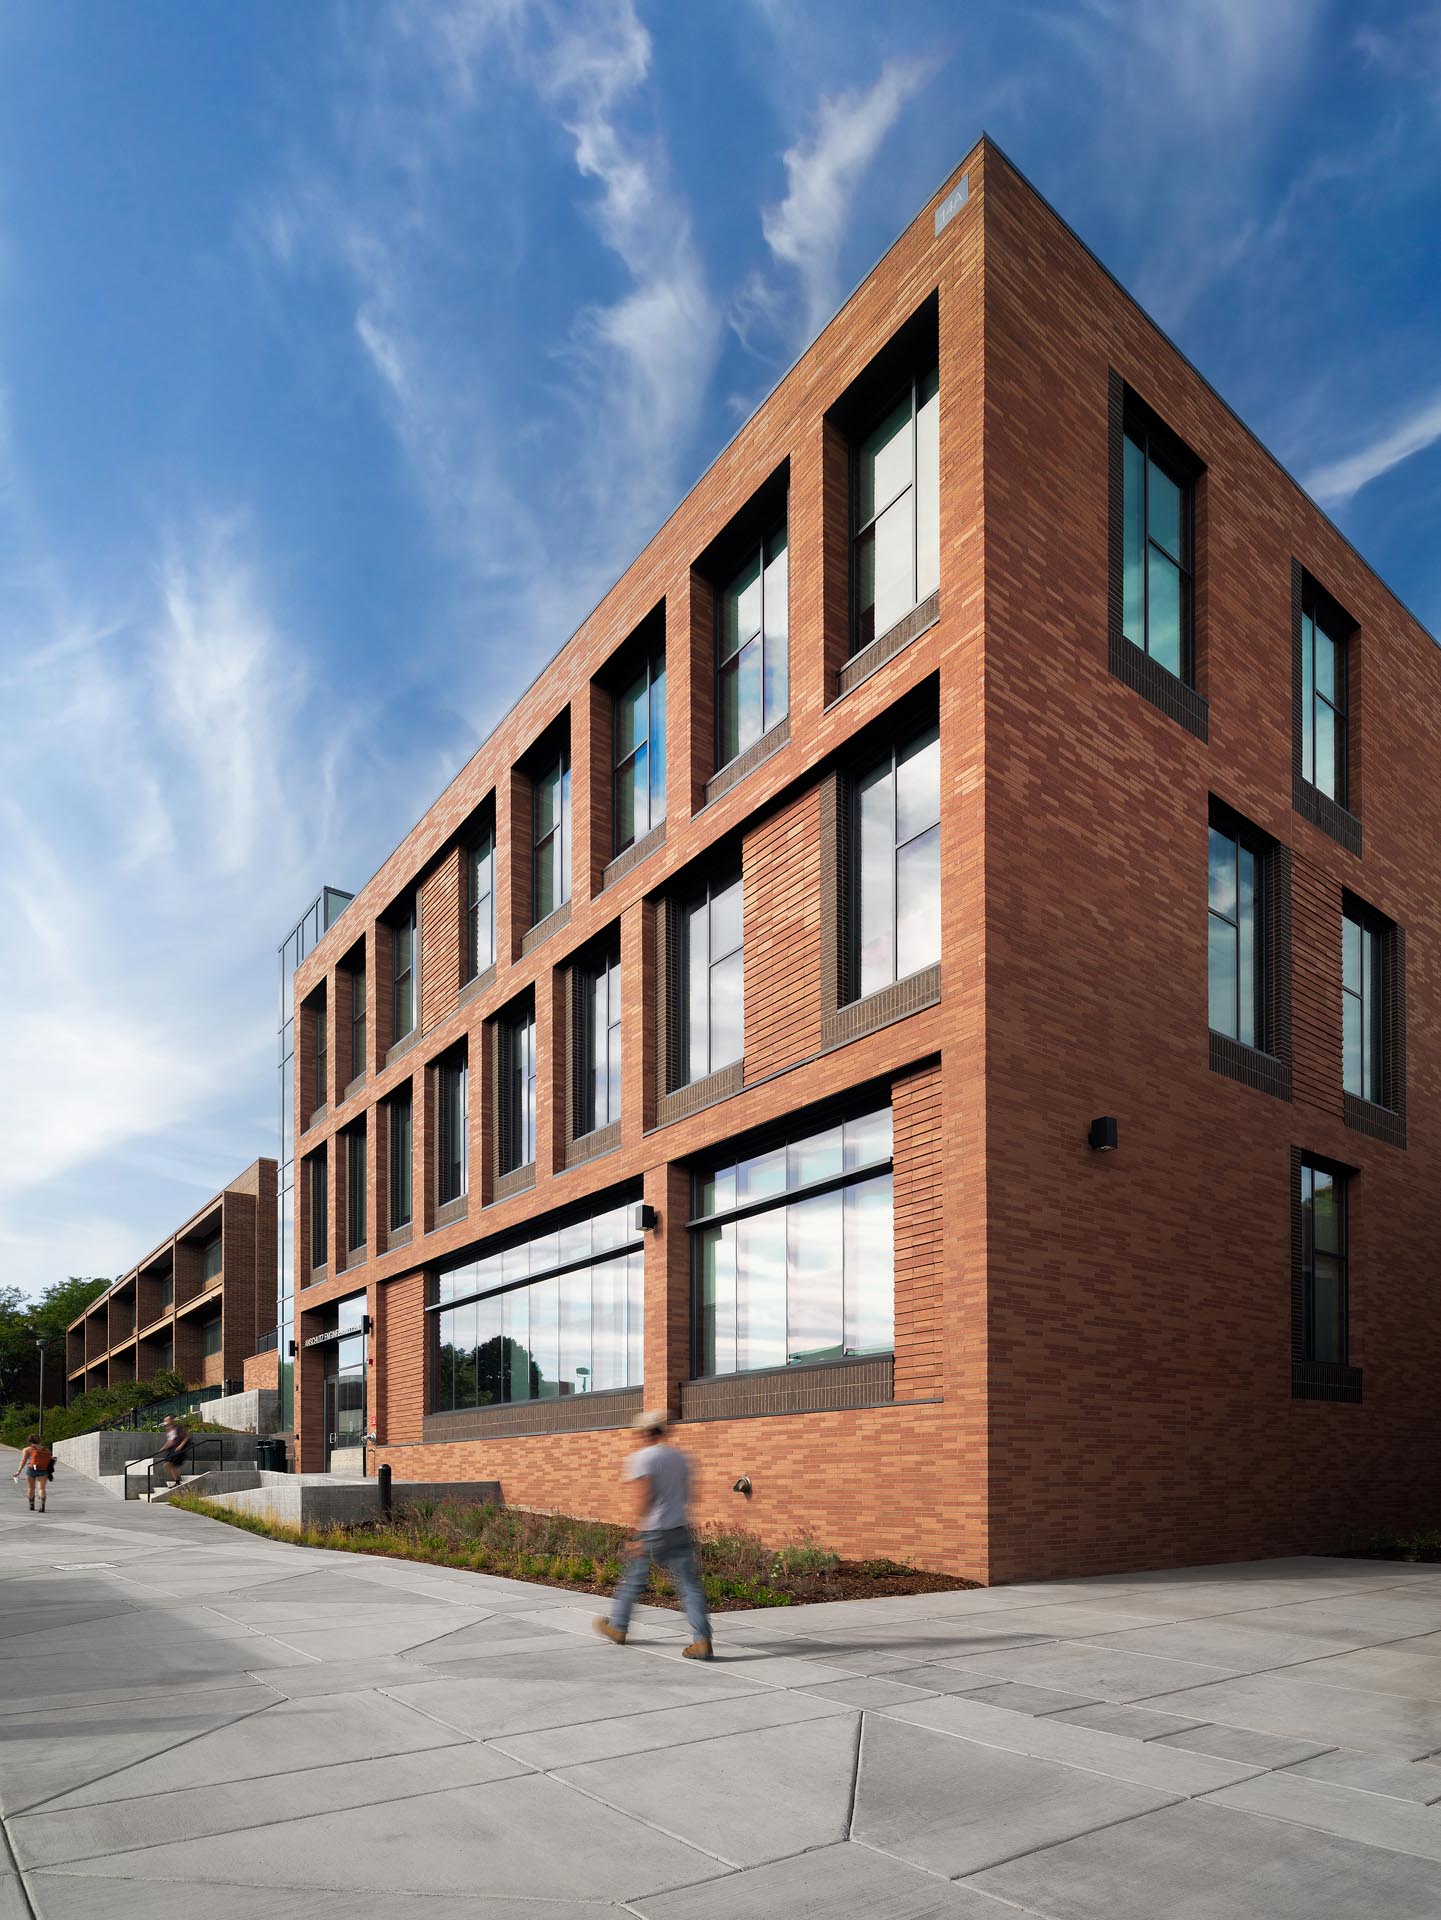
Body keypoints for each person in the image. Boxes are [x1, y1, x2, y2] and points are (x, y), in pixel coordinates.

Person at [595, 1411, 712, 1659]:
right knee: (690, 1586)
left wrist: (636, 1533)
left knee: (634, 1581)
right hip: (679, 1528)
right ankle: (702, 1640)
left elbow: (644, 1496)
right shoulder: (682, 1458)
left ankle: (618, 1627)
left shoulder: (642, 1458)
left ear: (646, 1432)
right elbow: (692, 1496)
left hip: (652, 1530)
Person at [12, 1435, 54, 1512]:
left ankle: (31, 1505)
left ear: (30, 1441)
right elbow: (49, 1461)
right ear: (40, 1441)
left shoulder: (27, 1449)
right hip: (43, 1470)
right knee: (41, 1488)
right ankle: (42, 1505)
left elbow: (23, 1461)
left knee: (31, 1488)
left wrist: (19, 1471)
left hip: (31, 1469)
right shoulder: (46, 1450)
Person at [158, 1414, 192, 1489]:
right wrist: (164, 1447)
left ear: (172, 1420)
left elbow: (186, 1437)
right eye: (165, 1420)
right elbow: (170, 1440)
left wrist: (180, 1446)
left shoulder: (178, 1428)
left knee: (169, 1464)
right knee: (167, 1465)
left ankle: (177, 1481)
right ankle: (177, 1480)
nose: (166, 1422)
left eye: (167, 1420)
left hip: (178, 1449)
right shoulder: (168, 1429)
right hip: (171, 1449)